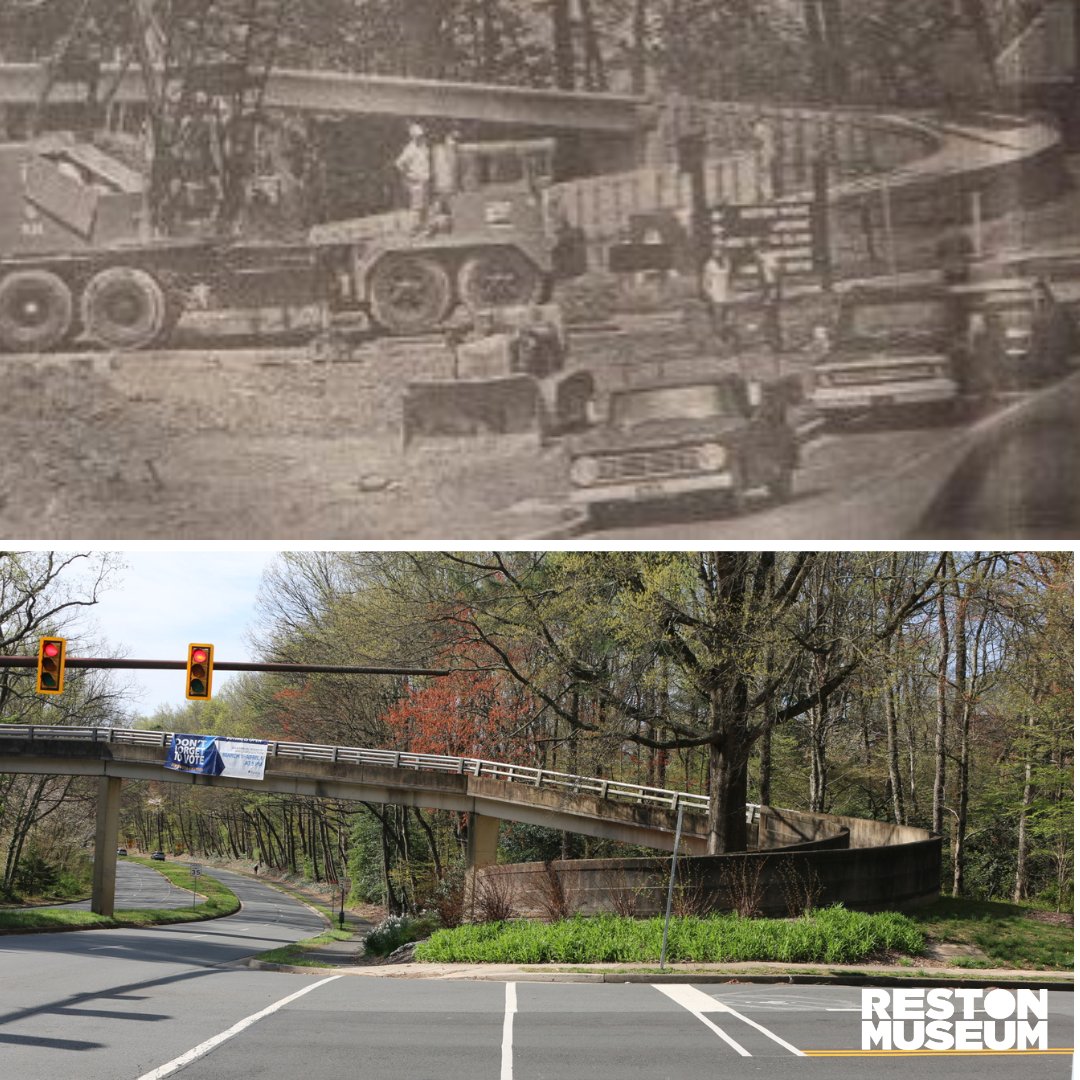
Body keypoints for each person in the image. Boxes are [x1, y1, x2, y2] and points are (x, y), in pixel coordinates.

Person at [395, 122, 432, 232]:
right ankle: (414, 229)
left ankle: (424, 227)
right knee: (417, 206)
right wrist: (408, 175)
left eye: (422, 135)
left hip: (425, 179)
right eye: (418, 136)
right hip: (416, 180)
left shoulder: (424, 147)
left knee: (425, 205)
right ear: (413, 137)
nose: (421, 138)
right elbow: (399, 163)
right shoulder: (410, 149)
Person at [701, 249, 735, 347]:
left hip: (727, 294)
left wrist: (732, 290)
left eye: (720, 250)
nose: (718, 253)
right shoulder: (709, 265)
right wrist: (708, 294)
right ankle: (719, 342)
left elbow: (730, 278)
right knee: (718, 318)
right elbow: (705, 281)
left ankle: (727, 339)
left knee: (729, 318)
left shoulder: (727, 262)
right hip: (715, 294)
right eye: (716, 251)